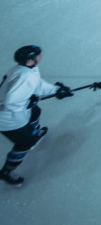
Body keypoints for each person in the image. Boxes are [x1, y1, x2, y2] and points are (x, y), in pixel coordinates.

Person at [0, 45, 73, 186]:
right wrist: (28, 103)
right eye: (38, 55)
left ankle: (34, 134)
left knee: (35, 112)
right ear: (30, 60)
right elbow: (10, 102)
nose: (41, 56)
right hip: (7, 119)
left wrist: (56, 90)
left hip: (15, 112)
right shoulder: (25, 77)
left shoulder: (25, 70)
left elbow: (37, 85)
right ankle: (6, 172)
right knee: (25, 143)